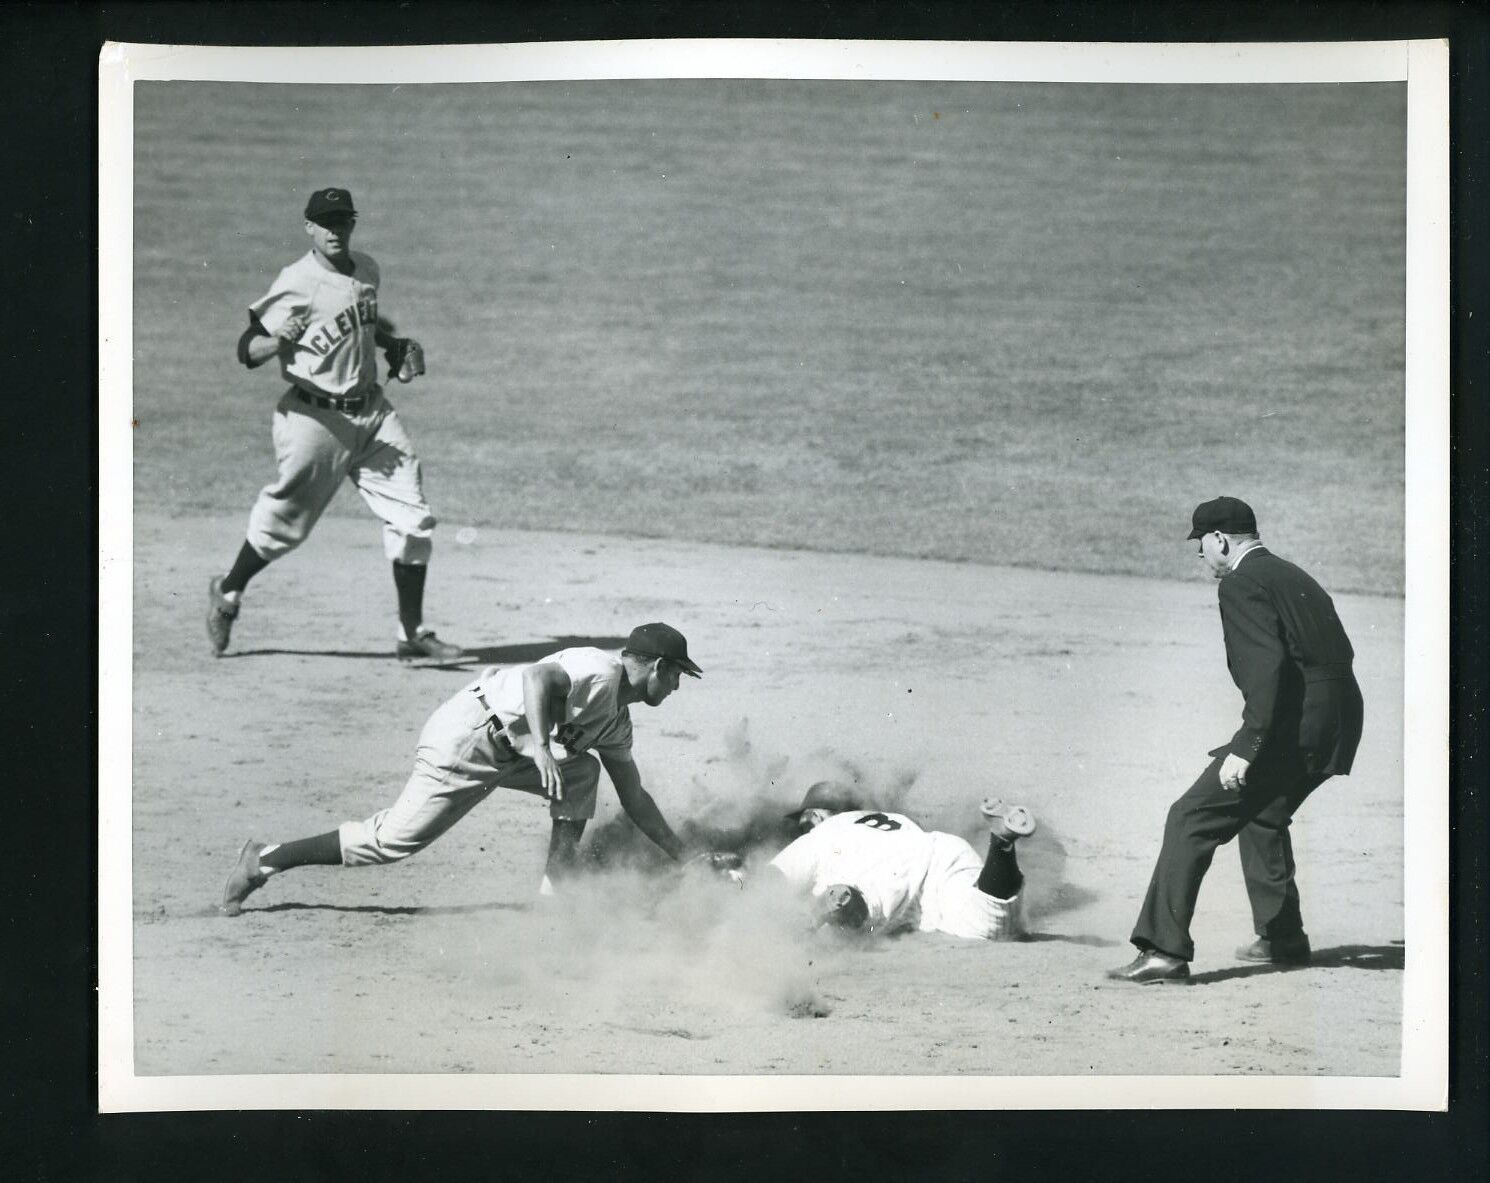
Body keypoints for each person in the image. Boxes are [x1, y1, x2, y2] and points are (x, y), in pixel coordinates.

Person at [220, 623, 728, 915]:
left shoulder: (618, 723)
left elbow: (635, 798)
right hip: (469, 735)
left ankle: (552, 895)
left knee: (584, 773)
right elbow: (536, 676)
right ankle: (264, 859)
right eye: (680, 676)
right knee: (393, 841)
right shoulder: (600, 670)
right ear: (659, 668)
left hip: (514, 751)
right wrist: (543, 748)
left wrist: (685, 856)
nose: (679, 687)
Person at [1107, 497, 1364, 984]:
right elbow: (1333, 655)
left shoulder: (1242, 585)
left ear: (1220, 539)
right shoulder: (1294, 576)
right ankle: (1282, 936)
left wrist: (1246, 748)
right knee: (1263, 812)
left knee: (1191, 817)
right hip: (1340, 720)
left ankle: (1164, 951)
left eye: (1201, 545)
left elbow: (1266, 674)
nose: (1200, 555)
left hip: (1295, 724)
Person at [206, 186, 462, 662]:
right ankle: (228, 591)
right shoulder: (296, 281)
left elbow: (361, 320)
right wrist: (278, 342)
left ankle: (413, 634)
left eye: (343, 221)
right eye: (325, 223)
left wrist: (391, 344)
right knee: (286, 525)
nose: (335, 230)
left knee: (413, 519)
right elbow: (247, 350)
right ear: (309, 228)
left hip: (372, 414)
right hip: (313, 419)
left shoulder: (366, 269)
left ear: (353, 225)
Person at [766, 781, 1037, 940]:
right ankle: (1001, 844)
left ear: (816, 816)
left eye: (804, 823)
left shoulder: (824, 831)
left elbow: (772, 879)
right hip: (938, 849)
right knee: (991, 919)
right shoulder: (892, 819)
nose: (803, 830)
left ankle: (842, 901)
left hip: (879, 869)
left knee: (857, 905)